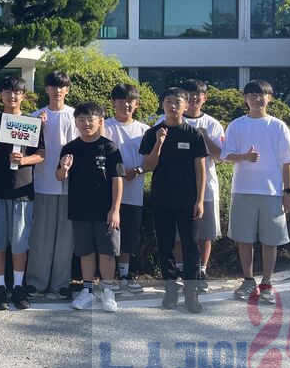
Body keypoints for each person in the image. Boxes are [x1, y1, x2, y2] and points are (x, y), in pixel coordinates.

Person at [221, 79, 290, 304]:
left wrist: (288, 191)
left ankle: (267, 284)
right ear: (245, 99)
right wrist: (244, 157)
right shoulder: (237, 125)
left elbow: (287, 161)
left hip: (272, 192)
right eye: (251, 95)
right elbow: (226, 155)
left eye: (261, 94)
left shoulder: (278, 126)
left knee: (270, 241)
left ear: (269, 98)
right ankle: (247, 280)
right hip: (243, 190)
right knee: (244, 239)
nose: (256, 98)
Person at [0, 76, 45, 310]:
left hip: (22, 190)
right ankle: (0, 287)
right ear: (1, 95)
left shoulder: (31, 123)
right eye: (7, 91)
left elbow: (41, 154)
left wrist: (24, 159)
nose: (12, 96)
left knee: (19, 242)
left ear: (23, 96)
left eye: (17, 92)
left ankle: (18, 286)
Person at [140, 87, 207, 314]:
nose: (173, 106)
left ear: (186, 106)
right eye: (168, 101)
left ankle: (191, 293)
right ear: (163, 104)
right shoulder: (153, 133)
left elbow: (200, 169)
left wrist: (200, 200)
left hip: (188, 201)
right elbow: (148, 166)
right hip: (162, 200)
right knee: (165, 247)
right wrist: (159, 143)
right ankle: (170, 291)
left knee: (191, 247)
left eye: (178, 102)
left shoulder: (193, 134)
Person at [157, 80, 225, 293]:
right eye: (190, 94)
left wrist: (204, 136)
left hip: (206, 188)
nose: (195, 98)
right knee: (178, 236)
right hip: (174, 189)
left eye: (199, 94)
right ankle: (180, 270)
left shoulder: (212, 124)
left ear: (205, 98)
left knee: (205, 234)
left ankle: (201, 272)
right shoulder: (163, 121)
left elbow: (219, 156)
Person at [57, 102, 124, 313]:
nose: (86, 123)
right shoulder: (70, 148)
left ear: (100, 122)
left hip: (105, 210)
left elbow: (117, 179)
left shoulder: (110, 147)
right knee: (85, 251)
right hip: (80, 209)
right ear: (75, 122)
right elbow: (59, 176)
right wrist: (64, 168)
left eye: (90, 119)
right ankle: (87, 291)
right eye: (81, 119)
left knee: (107, 252)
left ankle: (108, 291)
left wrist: (115, 209)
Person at [28, 71, 78, 299]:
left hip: (71, 187)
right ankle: (35, 283)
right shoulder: (35, 116)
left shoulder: (77, 116)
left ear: (67, 89)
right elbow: (26, 151)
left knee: (66, 240)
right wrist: (37, 127)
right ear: (46, 89)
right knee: (40, 237)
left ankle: (60, 285)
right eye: (53, 86)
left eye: (62, 86)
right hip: (42, 184)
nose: (58, 90)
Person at [104, 84, 150, 294]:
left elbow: (150, 160)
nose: (126, 104)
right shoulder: (104, 126)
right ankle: (108, 277)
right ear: (113, 103)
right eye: (121, 100)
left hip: (133, 191)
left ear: (137, 104)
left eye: (130, 101)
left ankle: (124, 274)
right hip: (108, 192)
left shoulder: (144, 130)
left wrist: (138, 170)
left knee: (129, 235)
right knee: (108, 235)